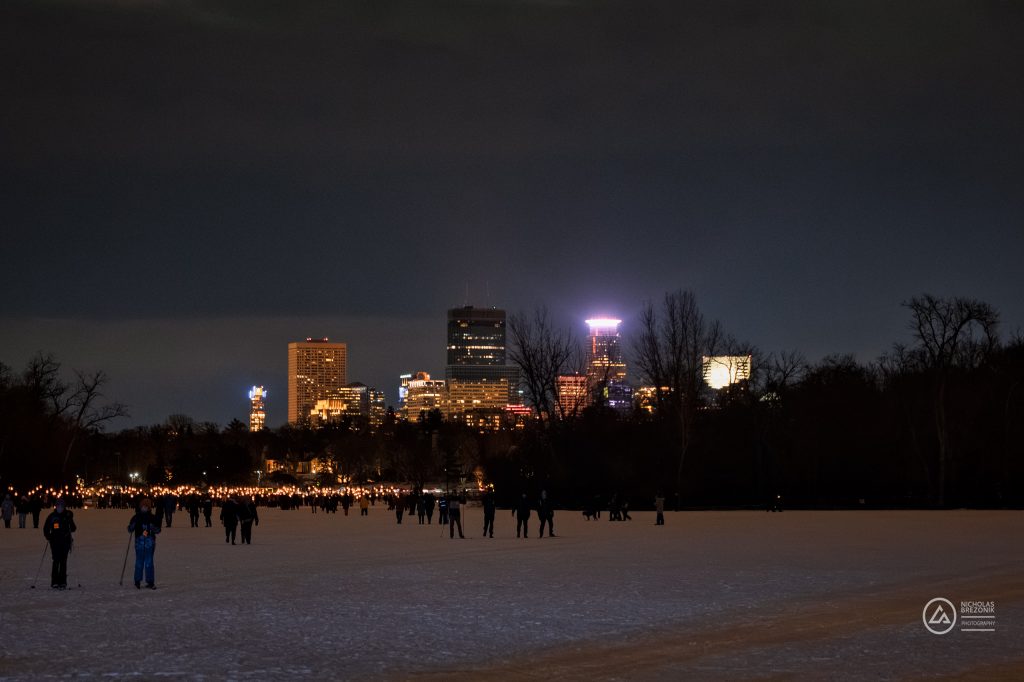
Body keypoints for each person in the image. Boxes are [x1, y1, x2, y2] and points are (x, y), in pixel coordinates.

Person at [43, 498, 76, 589]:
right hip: (55, 542)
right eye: (58, 506)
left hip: (65, 542)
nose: (60, 508)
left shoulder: (67, 516)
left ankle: (62, 581)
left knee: (63, 561)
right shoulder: (52, 516)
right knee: (56, 561)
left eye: (61, 506)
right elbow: (46, 528)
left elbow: (73, 528)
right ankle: (54, 581)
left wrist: (70, 519)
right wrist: (48, 536)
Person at [127, 498, 160, 589]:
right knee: (139, 561)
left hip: (150, 542)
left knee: (149, 562)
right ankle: (137, 580)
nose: (144, 507)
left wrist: (153, 528)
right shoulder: (136, 517)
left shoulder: (152, 517)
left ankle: (150, 581)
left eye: (146, 506)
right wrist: (132, 526)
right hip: (139, 542)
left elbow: (158, 530)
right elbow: (130, 529)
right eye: (143, 506)